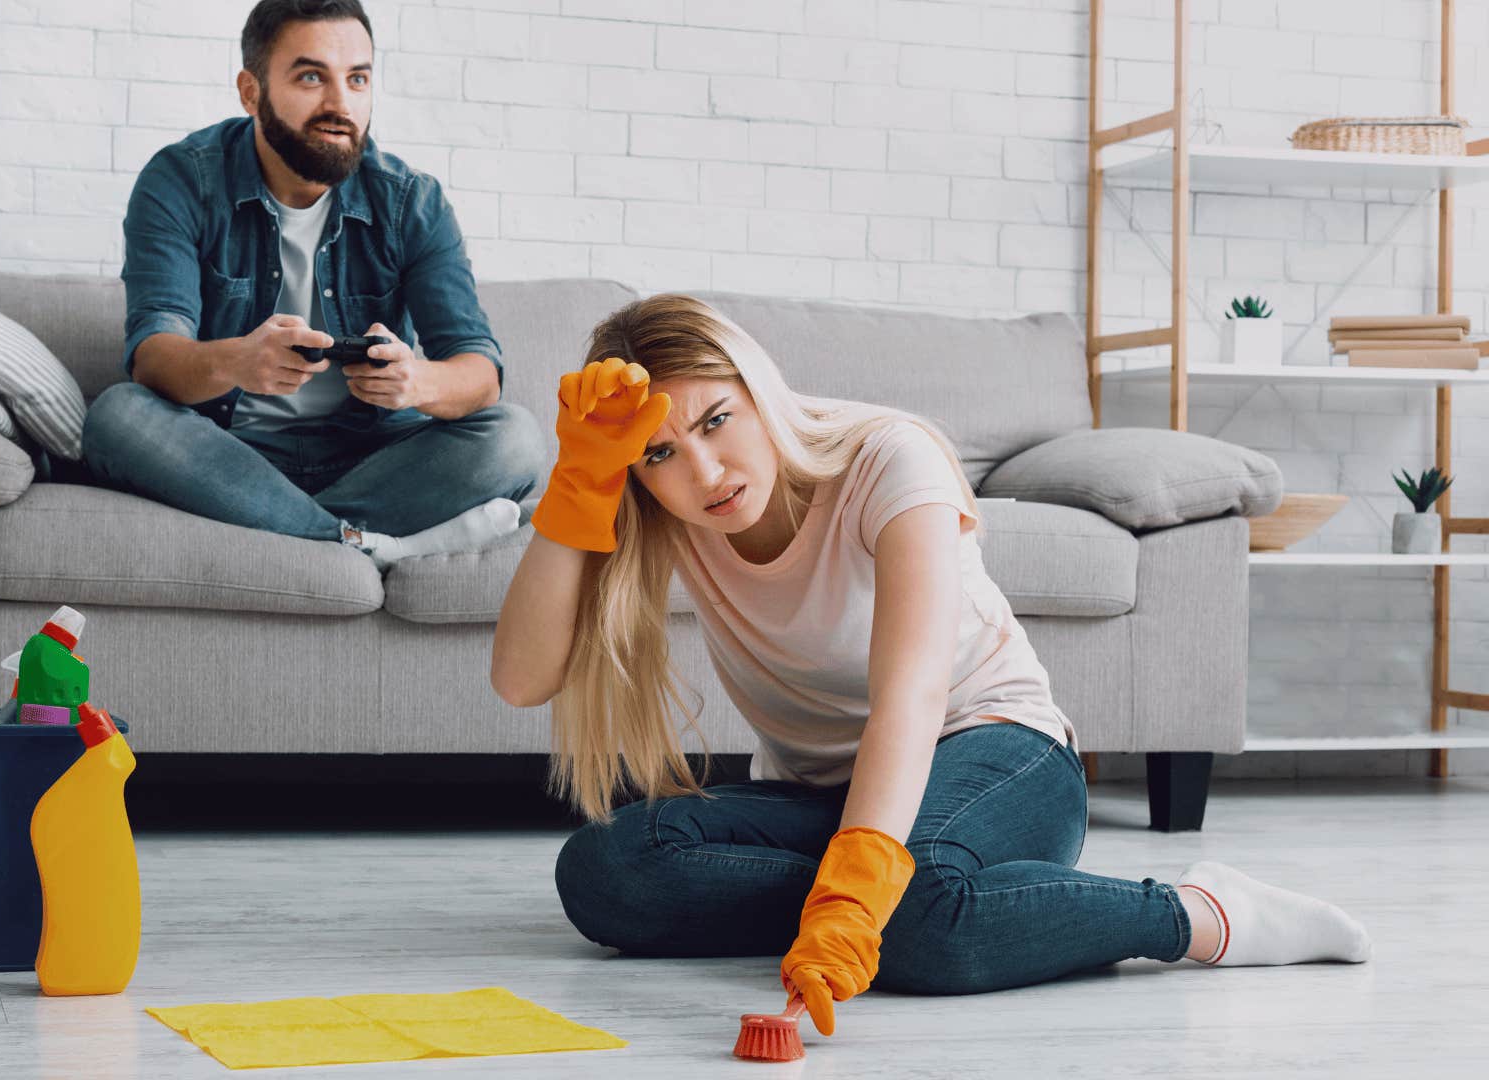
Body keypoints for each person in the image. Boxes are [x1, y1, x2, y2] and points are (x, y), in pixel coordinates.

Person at [491, 295, 1371, 1031]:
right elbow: (522, 679)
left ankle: (1201, 914)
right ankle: (932, 891)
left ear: (760, 392)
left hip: (995, 749)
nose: (707, 470)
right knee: (606, 872)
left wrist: (861, 891)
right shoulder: (664, 511)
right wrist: (580, 482)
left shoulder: (887, 456)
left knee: (916, 926)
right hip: (828, 793)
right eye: (660, 454)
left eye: (718, 420)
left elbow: (909, 699)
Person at [85, 0, 541, 569]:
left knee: (516, 437)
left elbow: (479, 372)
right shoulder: (181, 180)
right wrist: (237, 362)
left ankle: (293, 529)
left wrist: (416, 380)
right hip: (226, 454)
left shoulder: (410, 201)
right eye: (310, 76)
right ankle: (363, 545)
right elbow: (153, 358)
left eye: (357, 79)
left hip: (372, 457)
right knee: (118, 416)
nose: (340, 103)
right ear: (251, 92)